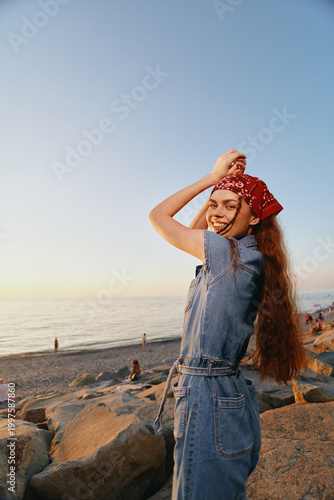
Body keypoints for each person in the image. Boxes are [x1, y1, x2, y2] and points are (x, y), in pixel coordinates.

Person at [149, 149, 305, 500]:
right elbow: (190, 233)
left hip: (206, 398)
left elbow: (159, 216)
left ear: (252, 218)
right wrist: (221, 188)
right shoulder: (247, 256)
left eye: (230, 206)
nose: (216, 214)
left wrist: (210, 178)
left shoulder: (225, 255)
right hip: (227, 392)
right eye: (212, 204)